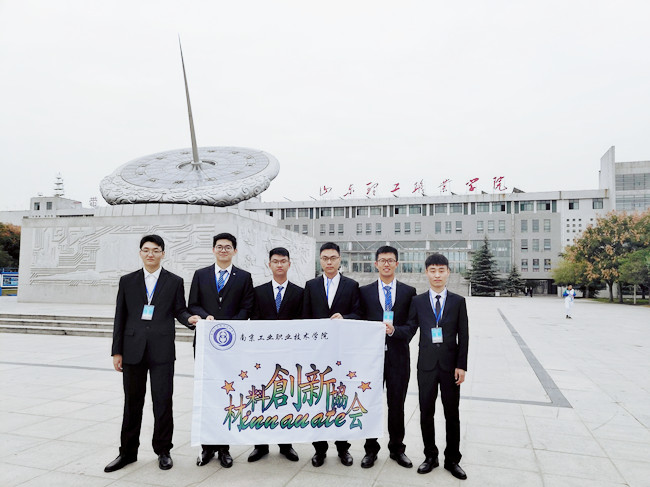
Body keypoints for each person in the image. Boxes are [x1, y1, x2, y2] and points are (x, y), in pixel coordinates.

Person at [105, 235, 200, 473]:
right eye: (146, 250)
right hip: (132, 350)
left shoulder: (174, 281)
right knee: (132, 403)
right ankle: (127, 452)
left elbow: (179, 309)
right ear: (140, 253)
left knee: (163, 402)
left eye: (156, 250)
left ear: (163, 254)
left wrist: (189, 319)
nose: (151, 254)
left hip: (162, 351)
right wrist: (117, 351)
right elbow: (120, 316)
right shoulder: (127, 281)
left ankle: (163, 450)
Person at [390, 253, 469, 480]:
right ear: (426, 273)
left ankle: (452, 459)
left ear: (448, 272)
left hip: (450, 367)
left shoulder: (458, 301)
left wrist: (461, 365)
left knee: (452, 413)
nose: (437, 275)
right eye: (432, 271)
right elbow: (410, 328)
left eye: (441, 270)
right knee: (426, 412)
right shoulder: (418, 301)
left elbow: (464, 335)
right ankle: (430, 456)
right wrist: (394, 331)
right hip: (426, 366)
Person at [188, 232, 255, 468]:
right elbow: (192, 304)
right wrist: (206, 317)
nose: (223, 250)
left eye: (228, 247)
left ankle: (224, 448)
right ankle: (207, 447)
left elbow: (247, 307)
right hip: (206, 344)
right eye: (219, 246)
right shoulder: (201, 274)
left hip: (232, 346)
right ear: (213, 250)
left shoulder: (244, 277)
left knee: (229, 395)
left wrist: (229, 327)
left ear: (235, 251)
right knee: (207, 393)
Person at [303, 242, 360, 467]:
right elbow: (305, 317)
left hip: (342, 353)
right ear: (320, 260)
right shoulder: (311, 285)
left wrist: (345, 318)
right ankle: (319, 449)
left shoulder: (352, 285)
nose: (329, 262)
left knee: (340, 399)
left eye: (333, 258)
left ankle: (343, 448)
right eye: (325, 258)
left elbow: (359, 313)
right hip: (317, 355)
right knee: (318, 400)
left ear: (339, 260)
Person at [359, 246, 416, 469]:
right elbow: (359, 321)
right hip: (371, 359)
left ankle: (397, 449)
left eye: (390, 260)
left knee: (397, 405)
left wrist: (394, 331)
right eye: (382, 260)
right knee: (370, 404)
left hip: (398, 357)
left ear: (397, 264)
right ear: (376, 264)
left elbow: (412, 326)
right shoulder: (364, 292)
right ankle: (370, 450)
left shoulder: (408, 292)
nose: (386, 264)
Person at [247, 247, 303, 463]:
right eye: (275, 261)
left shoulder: (300, 292)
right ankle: (260, 445)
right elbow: (253, 320)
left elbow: (303, 322)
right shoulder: (258, 292)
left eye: (283, 261)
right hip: (264, 356)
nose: (279, 265)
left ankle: (286, 444)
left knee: (286, 398)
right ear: (269, 264)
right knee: (262, 398)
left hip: (289, 356)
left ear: (289, 264)